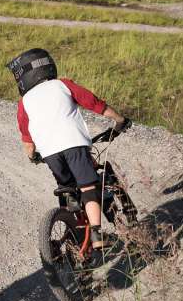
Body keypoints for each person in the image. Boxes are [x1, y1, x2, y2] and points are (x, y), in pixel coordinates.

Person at [8, 49, 130, 253]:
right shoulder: (62, 85)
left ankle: (74, 230)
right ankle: (97, 235)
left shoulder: (24, 102)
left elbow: (27, 140)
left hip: (50, 154)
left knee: (67, 188)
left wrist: (34, 157)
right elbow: (94, 103)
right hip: (74, 144)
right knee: (88, 188)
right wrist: (120, 120)